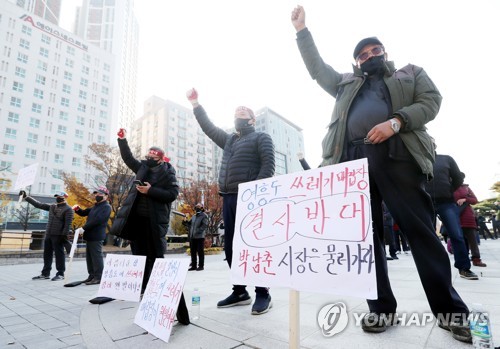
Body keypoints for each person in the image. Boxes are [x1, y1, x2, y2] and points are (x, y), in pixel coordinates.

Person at [291, 6, 471, 343]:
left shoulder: (409, 73)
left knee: (421, 232)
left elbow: (431, 101)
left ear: (385, 52)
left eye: (375, 50)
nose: (369, 56)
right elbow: (318, 69)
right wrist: (302, 31)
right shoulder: (345, 84)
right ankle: (381, 309)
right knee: (366, 239)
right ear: (356, 62)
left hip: (397, 156)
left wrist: (396, 122)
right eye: (362, 54)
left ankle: (451, 312)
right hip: (352, 162)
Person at [186, 88, 276, 315]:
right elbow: (208, 127)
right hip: (228, 198)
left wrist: (254, 192)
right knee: (231, 247)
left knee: (253, 245)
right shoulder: (229, 141)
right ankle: (239, 290)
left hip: (250, 198)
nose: (240, 112)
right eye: (237, 111)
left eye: (244, 111)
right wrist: (196, 104)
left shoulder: (261, 137)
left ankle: (263, 292)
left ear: (252, 119)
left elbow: (268, 167)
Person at [110, 128, 179, 294]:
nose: (149, 159)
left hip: (154, 220)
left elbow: (172, 194)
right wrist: (122, 140)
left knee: (155, 254)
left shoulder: (168, 173)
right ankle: (142, 285)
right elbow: (128, 158)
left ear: (161, 160)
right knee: (138, 253)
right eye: (147, 156)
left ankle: (158, 286)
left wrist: (150, 191)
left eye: (153, 158)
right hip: (136, 219)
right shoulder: (142, 168)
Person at [425, 155, 478, 280]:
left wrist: (449, 190)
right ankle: (433, 269)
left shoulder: (446, 159)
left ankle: (464, 268)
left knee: (456, 235)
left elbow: (458, 178)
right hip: (425, 202)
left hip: (446, 202)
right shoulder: (416, 158)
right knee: (427, 236)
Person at [19, 190, 74, 281]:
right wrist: (26, 197)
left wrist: (63, 236)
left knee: (59, 254)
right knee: (47, 254)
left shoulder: (69, 209)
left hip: (59, 235)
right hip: (48, 234)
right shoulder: (52, 207)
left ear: (64, 197)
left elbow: (68, 225)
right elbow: (38, 205)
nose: (57, 198)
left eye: (59, 197)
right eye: (56, 197)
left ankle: (60, 274)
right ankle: (45, 273)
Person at [73, 186, 112, 285]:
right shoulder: (95, 206)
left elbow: (97, 220)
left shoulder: (106, 207)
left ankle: (98, 277)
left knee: (96, 257)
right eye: (96, 193)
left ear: (106, 196)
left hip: (97, 235)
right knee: (89, 258)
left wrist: (83, 228)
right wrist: (77, 209)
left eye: (100, 194)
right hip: (89, 236)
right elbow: (83, 213)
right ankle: (91, 276)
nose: (97, 195)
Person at [454, 183, 486, 267]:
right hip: (455, 217)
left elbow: (475, 200)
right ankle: (464, 261)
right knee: (460, 241)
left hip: (468, 217)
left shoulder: (465, 187)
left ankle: (476, 259)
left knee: (473, 241)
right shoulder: (447, 186)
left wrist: (465, 199)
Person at [183, 203, 208, 271]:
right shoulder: (194, 216)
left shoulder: (204, 216)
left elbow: (204, 226)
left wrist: (197, 231)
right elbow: (189, 224)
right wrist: (185, 221)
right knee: (193, 252)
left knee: (200, 252)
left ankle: (201, 266)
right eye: (196, 206)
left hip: (200, 237)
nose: (197, 208)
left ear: (202, 208)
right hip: (192, 237)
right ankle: (193, 266)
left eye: (199, 206)